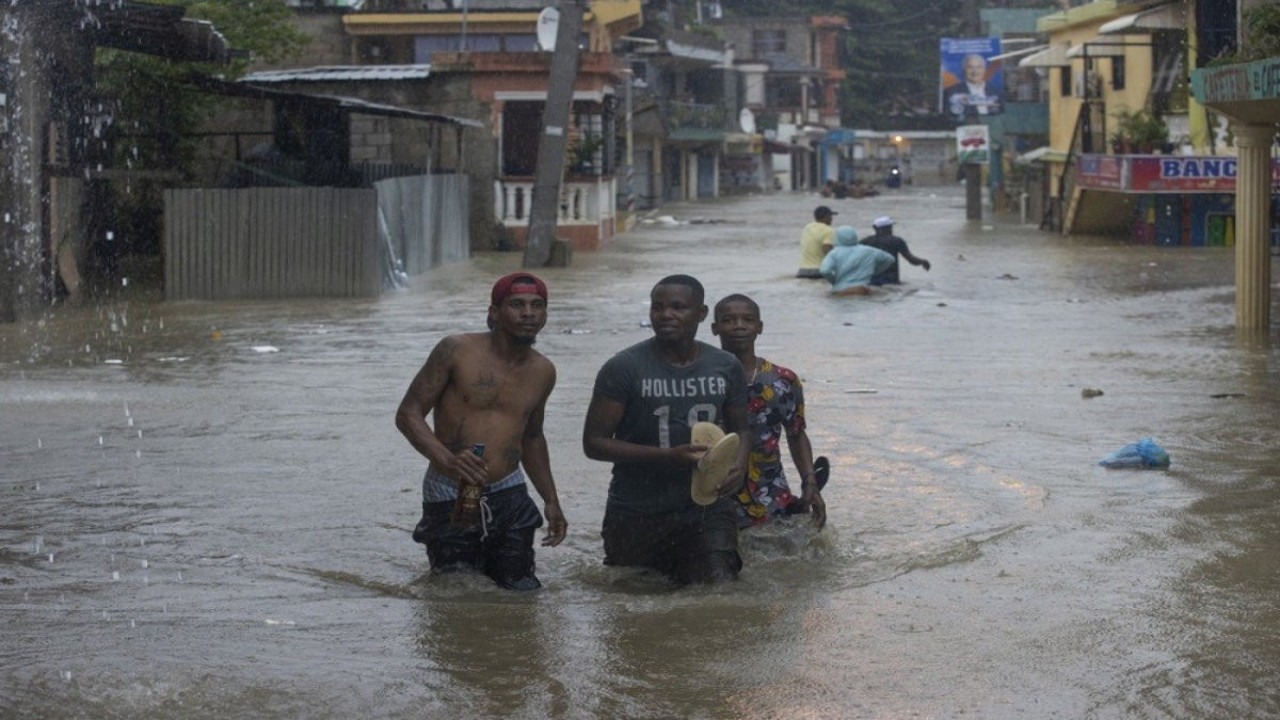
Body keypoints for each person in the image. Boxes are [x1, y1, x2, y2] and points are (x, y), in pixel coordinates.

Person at [395, 272, 567, 591]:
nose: (528, 313)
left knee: (521, 587)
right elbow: (409, 414)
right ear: (494, 312)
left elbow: (532, 437)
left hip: (508, 487)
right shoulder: (455, 350)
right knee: (455, 588)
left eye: (537, 305)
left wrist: (551, 499)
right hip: (451, 486)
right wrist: (446, 460)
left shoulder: (543, 370)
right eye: (516, 304)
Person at [582, 275, 750, 585]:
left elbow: (742, 428)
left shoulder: (726, 366)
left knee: (718, 591)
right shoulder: (623, 367)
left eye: (677, 307)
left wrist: (740, 464)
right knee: (636, 606)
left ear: (701, 313)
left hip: (706, 510)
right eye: (657, 307)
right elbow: (594, 443)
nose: (665, 315)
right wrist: (666, 455)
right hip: (636, 510)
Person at [711, 294, 827, 529]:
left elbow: (796, 434)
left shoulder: (782, 380)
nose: (739, 326)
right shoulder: (702, 379)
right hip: (715, 490)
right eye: (729, 320)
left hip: (772, 493)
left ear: (759, 327)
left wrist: (810, 482)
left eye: (748, 320)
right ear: (715, 328)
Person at [819, 225, 897, 296]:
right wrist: (874, 271)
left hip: (840, 290)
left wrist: (834, 281)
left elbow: (825, 270)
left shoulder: (834, 253)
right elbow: (890, 259)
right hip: (862, 289)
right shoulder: (869, 250)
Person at [860, 216, 931, 286]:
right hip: (892, 280)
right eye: (890, 227)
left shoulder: (865, 241)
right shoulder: (897, 241)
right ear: (887, 228)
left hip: (871, 281)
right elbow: (910, 259)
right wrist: (922, 261)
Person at [942, 53, 1002, 120]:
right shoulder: (951, 92)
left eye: (978, 67)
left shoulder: (996, 92)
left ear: (984, 70)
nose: (975, 71)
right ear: (964, 70)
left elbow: (1000, 116)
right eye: (970, 67)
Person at [797, 205, 837, 279]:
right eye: (831, 216)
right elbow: (826, 249)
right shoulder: (828, 230)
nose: (832, 219)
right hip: (818, 271)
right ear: (826, 217)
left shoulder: (807, 227)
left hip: (802, 271)